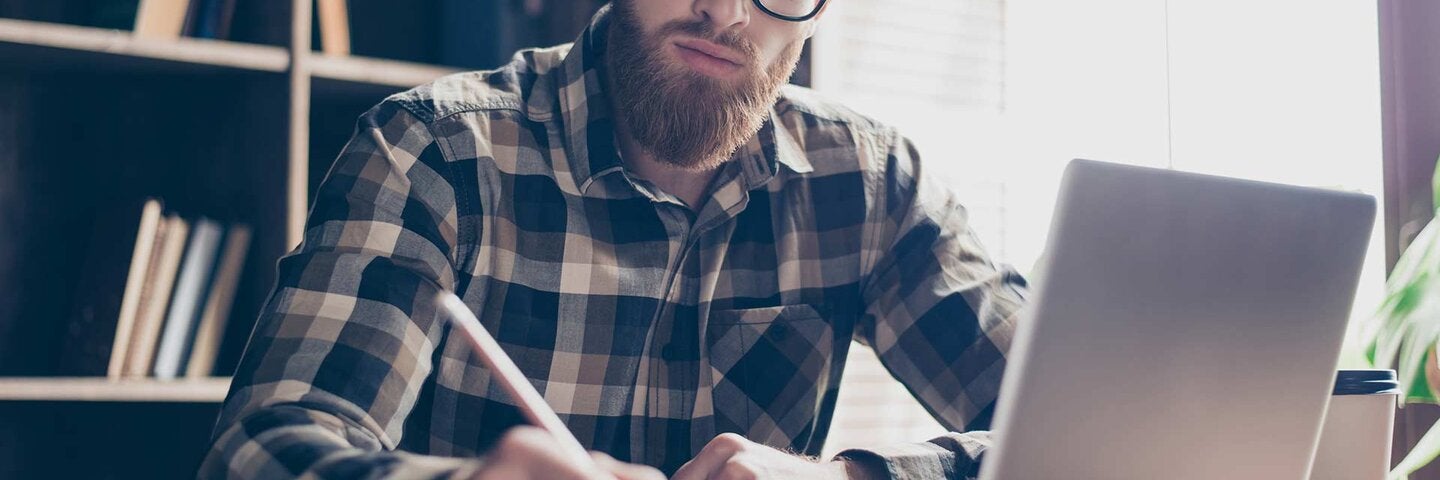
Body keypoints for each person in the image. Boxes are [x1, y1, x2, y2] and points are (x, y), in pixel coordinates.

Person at [199, 0, 1028, 478]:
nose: (728, 11)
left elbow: (1068, 429)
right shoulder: (436, 152)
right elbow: (258, 453)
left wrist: (845, 479)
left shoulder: (872, 182)